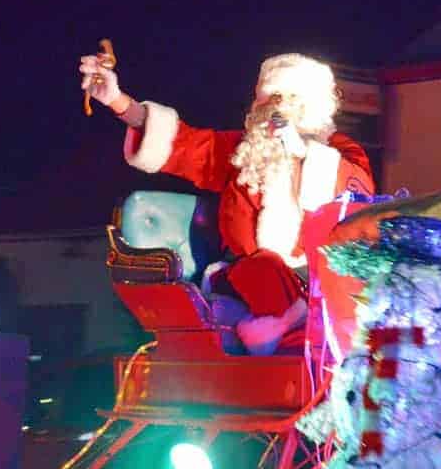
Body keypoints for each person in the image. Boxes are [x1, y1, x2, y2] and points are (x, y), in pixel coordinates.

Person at [79, 51, 375, 355]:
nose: (272, 107)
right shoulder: (242, 150)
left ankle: (296, 337)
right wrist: (117, 100)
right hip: (248, 276)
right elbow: (182, 145)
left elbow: (356, 198)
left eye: (285, 99)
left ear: (310, 107)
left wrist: (302, 154)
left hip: (315, 277)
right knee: (262, 270)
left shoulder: (338, 151)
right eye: (265, 98)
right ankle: (284, 337)